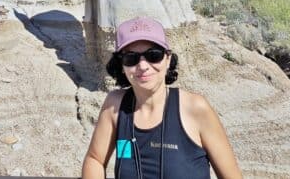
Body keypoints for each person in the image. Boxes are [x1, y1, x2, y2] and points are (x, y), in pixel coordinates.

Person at [81, 17, 242, 179]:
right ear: (122, 65)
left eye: (153, 55)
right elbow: (95, 159)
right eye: (131, 58)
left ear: (168, 59)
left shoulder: (195, 109)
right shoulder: (115, 106)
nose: (143, 66)